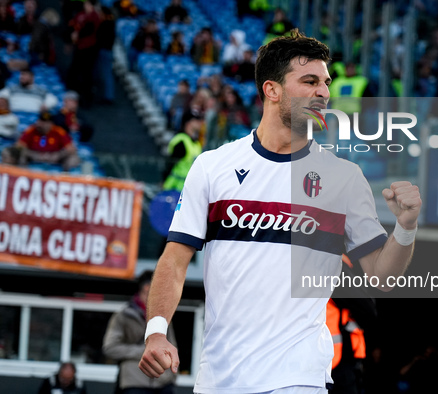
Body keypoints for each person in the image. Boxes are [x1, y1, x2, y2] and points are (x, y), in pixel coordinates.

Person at [139, 29, 422, 393]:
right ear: (272, 90)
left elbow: (383, 276)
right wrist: (156, 332)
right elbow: (174, 261)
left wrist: (406, 227)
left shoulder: (345, 179)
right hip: (220, 379)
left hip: (299, 377)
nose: (324, 92)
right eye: (310, 81)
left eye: (325, 82)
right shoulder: (213, 167)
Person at [103, 271, 177, 394]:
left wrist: (172, 376)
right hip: (134, 382)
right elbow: (110, 348)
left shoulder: (164, 316)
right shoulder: (123, 316)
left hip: (163, 383)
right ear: (147, 287)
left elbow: (172, 345)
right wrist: (144, 350)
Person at [3, 110, 80, 170]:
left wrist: (57, 155)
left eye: (45, 122)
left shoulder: (58, 131)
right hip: (33, 156)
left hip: (55, 157)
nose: (42, 124)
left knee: (73, 158)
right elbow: (19, 146)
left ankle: (66, 179)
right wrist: (33, 154)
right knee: (14, 152)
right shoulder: (32, 130)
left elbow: (71, 148)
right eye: (41, 121)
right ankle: (20, 174)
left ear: (51, 123)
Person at [162, 112, 204, 192]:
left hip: (186, 188)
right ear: (188, 123)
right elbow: (170, 164)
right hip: (174, 186)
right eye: (196, 120)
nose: (199, 123)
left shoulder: (196, 143)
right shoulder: (181, 141)